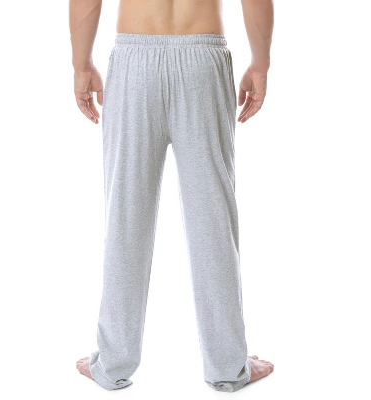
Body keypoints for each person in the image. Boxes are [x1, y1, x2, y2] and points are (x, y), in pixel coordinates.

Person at [70, 0, 274, 393]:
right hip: (203, 60)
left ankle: (113, 362)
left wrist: (81, 64)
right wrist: (261, 63)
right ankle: (227, 364)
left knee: (126, 218)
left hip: (134, 62)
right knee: (213, 221)